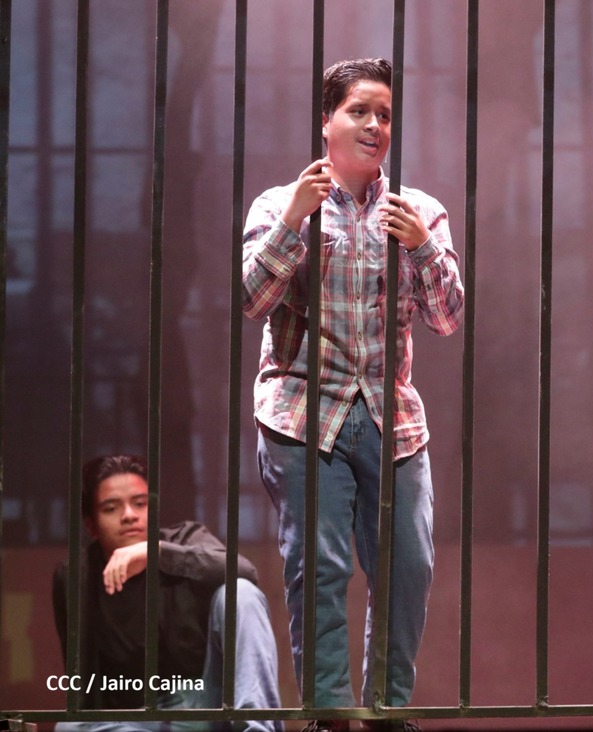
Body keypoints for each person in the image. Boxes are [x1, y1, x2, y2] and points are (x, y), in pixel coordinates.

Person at [241, 57, 464, 732]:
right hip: (303, 413)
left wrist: (422, 247)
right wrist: (295, 222)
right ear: (326, 121)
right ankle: (331, 714)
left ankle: (387, 708)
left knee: (408, 568)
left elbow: (447, 317)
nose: (374, 125)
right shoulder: (279, 204)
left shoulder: (419, 210)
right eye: (359, 111)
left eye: (384, 115)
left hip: (391, 417)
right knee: (321, 568)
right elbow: (252, 299)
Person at [52, 454, 283, 732]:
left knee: (240, 593)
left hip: (208, 704)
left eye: (140, 504)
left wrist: (158, 554)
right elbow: (82, 682)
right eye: (111, 508)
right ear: (91, 525)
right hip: (138, 716)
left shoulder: (185, 539)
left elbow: (246, 571)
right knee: (69, 728)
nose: (129, 515)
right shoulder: (78, 575)